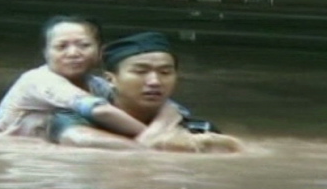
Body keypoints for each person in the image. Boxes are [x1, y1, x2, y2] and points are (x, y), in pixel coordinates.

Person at [0, 15, 182, 140]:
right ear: (46, 53)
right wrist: (155, 139)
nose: (73, 53)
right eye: (61, 46)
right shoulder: (38, 80)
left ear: (100, 52)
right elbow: (101, 111)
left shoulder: (96, 85)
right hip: (11, 155)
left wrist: (163, 122)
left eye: (83, 45)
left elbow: (168, 106)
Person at [48, 31, 244, 153]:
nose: (154, 81)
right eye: (140, 71)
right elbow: (76, 139)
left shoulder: (198, 129)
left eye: (165, 72)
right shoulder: (73, 118)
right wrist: (165, 143)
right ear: (110, 80)